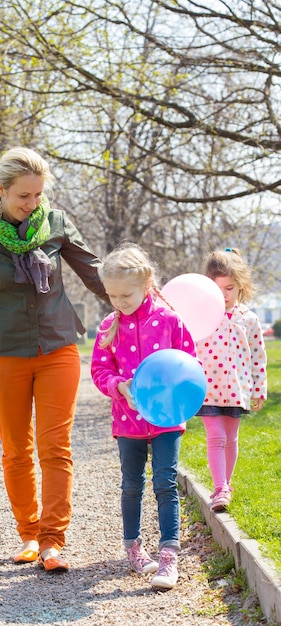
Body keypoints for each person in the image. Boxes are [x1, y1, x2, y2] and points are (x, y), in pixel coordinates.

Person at [0, 146, 109, 572]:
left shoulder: (56, 223)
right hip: (5, 354)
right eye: (23, 196)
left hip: (57, 349)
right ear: (1, 190)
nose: (32, 204)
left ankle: (53, 541)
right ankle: (29, 535)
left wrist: (140, 305)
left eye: (38, 195)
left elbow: (95, 272)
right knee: (16, 451)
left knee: (56, 447)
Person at [91, 243, 196, 591]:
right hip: (128, 421)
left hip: (167, 419)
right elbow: (99, 370)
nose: (119, 302)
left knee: (165, 482)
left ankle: (169, 555)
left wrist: (181, 397)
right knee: (132, 484)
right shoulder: (109, 325)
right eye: (112, 295)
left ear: (147, 282)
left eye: (126, 295)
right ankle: (133, 548)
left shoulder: (169, 320)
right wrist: (118, 386)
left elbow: (188, 365)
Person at [195, 248, 267, 512]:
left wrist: (259, 390)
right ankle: (220, 488)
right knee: (215, 436)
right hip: (206, 389)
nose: (223, 295)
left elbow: (258, 357)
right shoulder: (201, 315)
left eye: (229, 288)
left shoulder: (249, 319)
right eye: (217, 288)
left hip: (237, 389)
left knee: (231, 438)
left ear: (240, 287)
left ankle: (226, 482)